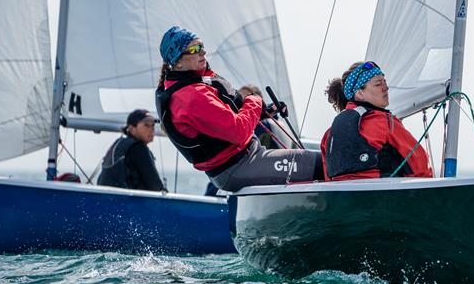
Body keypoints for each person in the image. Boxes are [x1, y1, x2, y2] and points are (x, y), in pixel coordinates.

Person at [155, 26, 322, 192]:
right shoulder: (191, 97)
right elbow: (239, 131)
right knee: (321, 164)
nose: (203, 52)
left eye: (201, 46)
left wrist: (263, 112)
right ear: (177, 62)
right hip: (239, 166)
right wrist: (255, 100)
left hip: (243, 161)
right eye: (194, 49)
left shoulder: (192, 86)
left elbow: (225, 119)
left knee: (318, 162)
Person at [321, 61, 433, 181]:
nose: (386, 87)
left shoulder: (329, 134)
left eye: (385, 82)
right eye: (378, 84)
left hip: (341, 193)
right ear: (360, 94)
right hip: (383, 192)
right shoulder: (384, 122)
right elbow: (419, 163)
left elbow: (328, 176)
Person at [97, 109, 166, 191]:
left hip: (106, 196)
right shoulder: (138, 148)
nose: (151, 129)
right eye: (146, 125)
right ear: (132, 129)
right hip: (125, 198)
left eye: (153, 125)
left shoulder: (119, 145)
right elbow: (155, 185)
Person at [239, 83, 295, 150]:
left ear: (259, 101)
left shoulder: (268, 125)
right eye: (239, 99)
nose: (241, 103)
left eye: (247, 100)